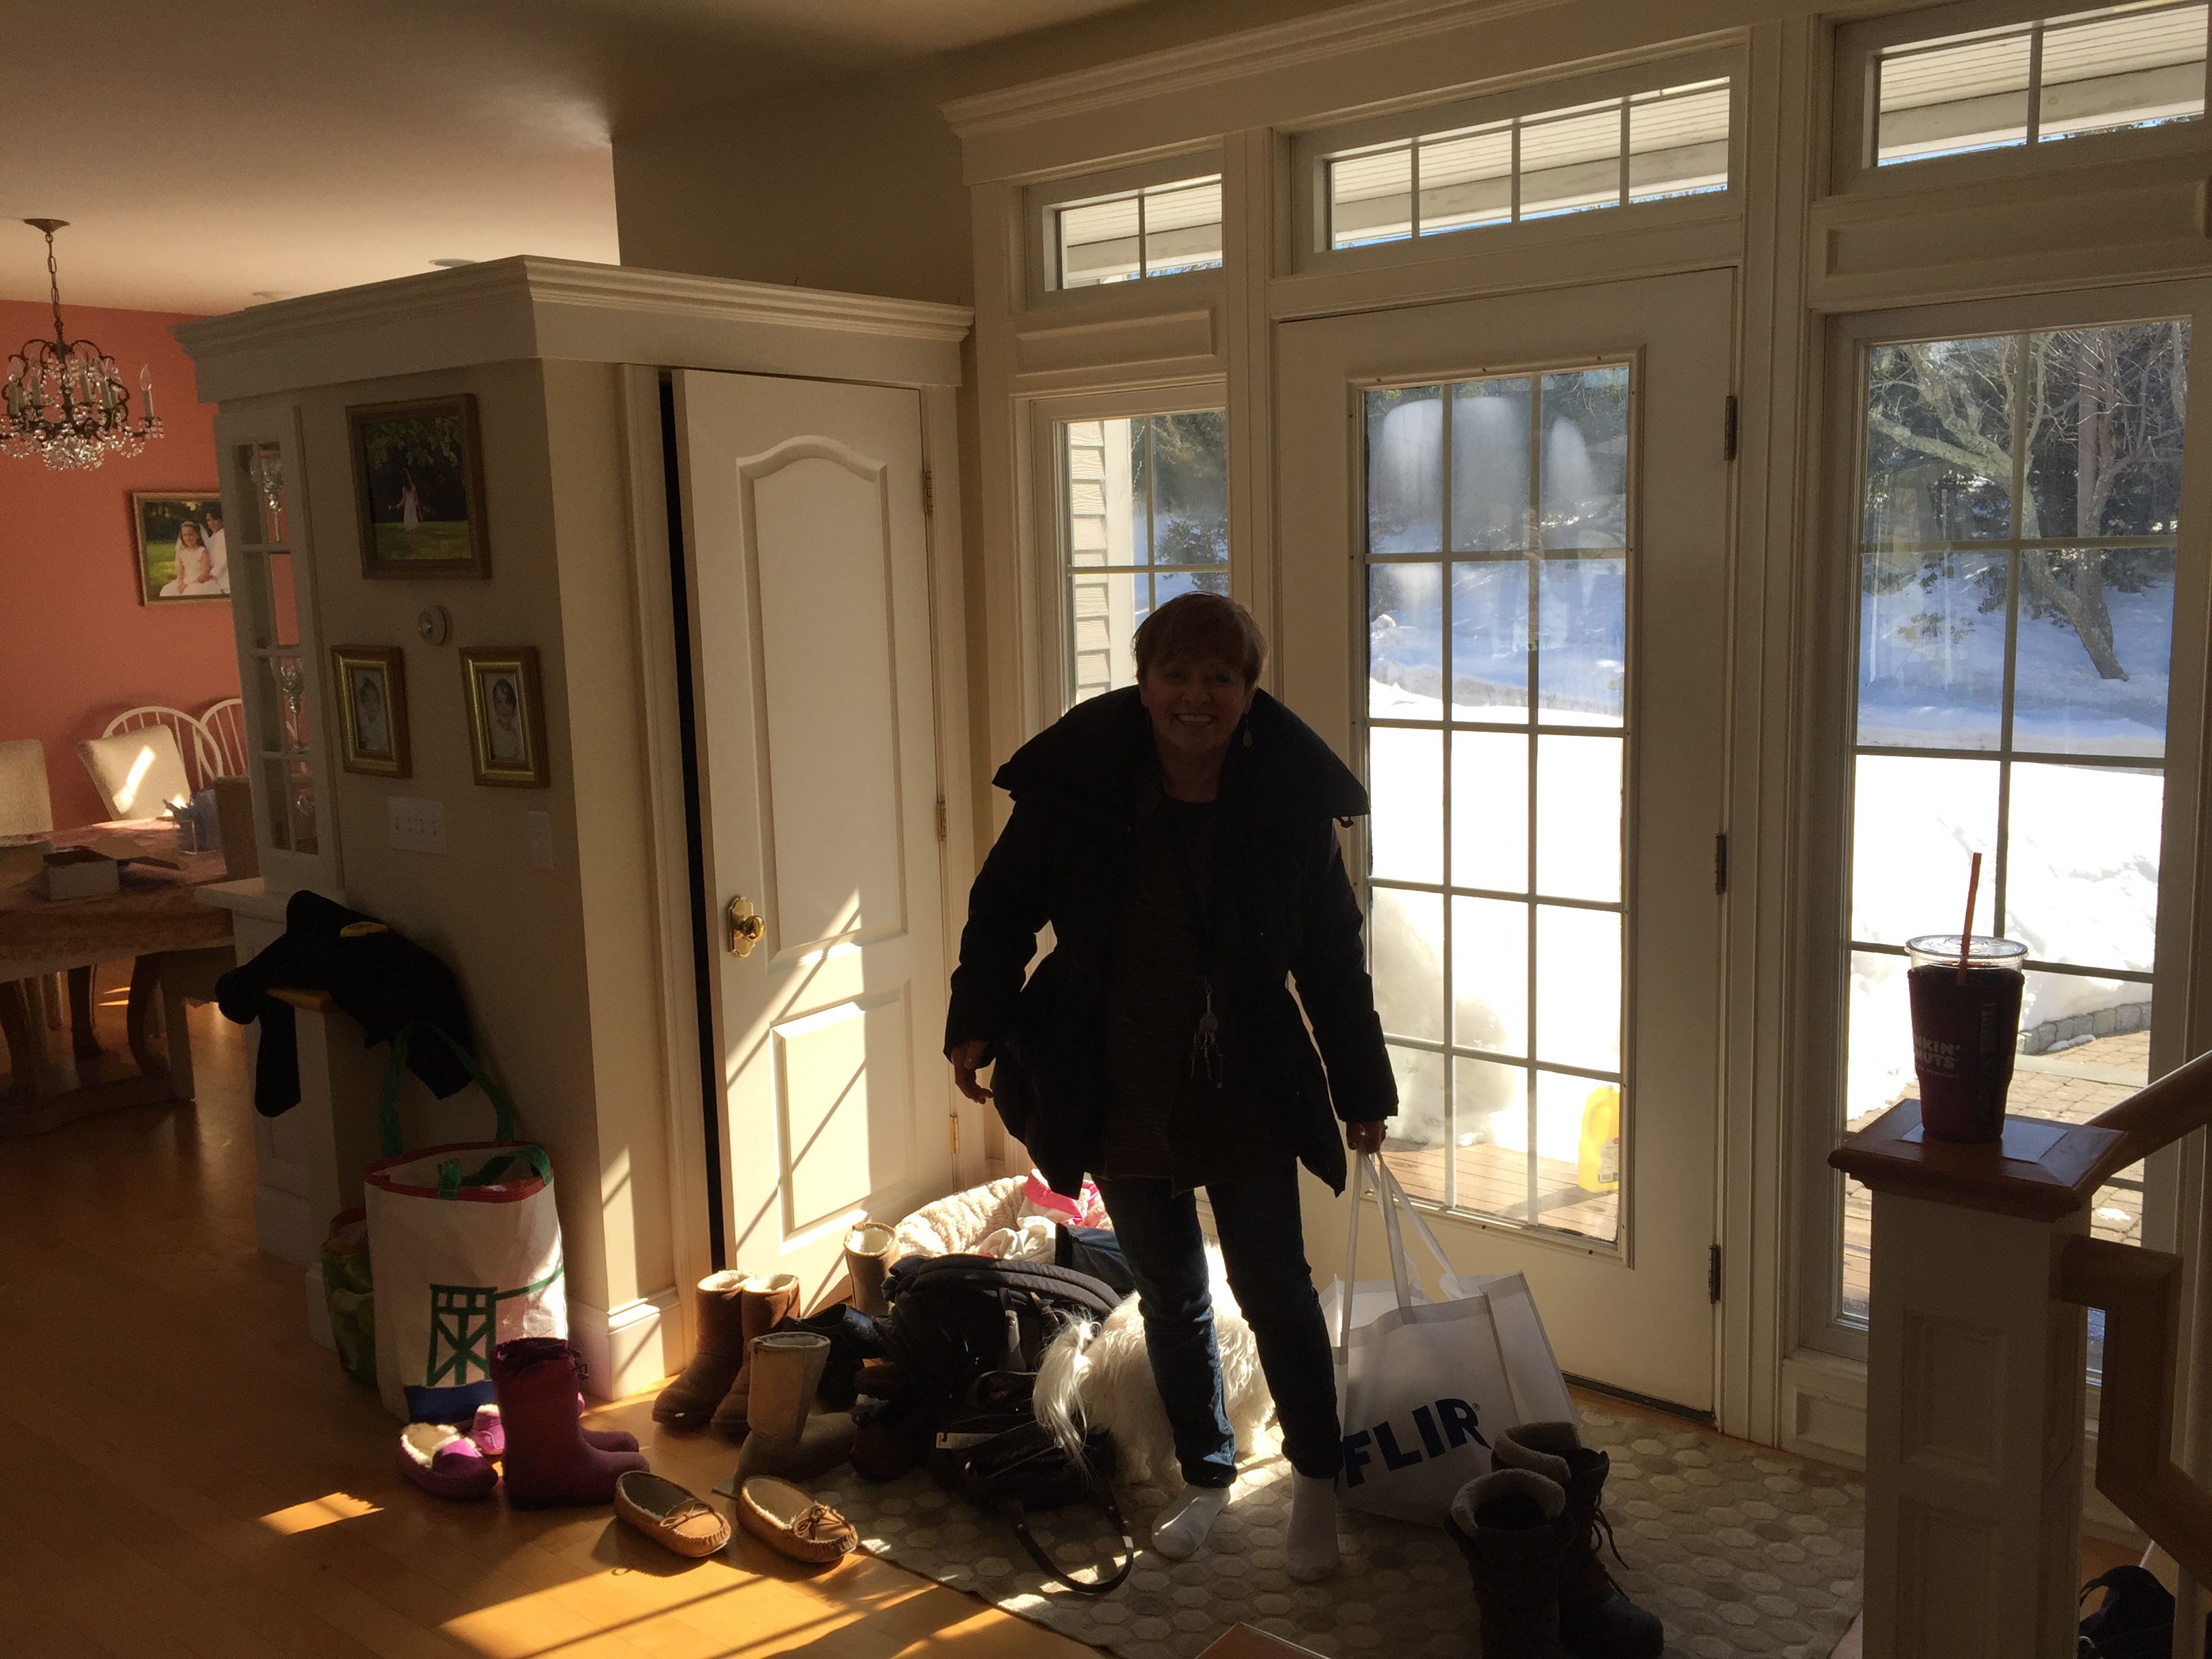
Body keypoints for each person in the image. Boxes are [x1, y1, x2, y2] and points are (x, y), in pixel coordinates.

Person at [945, 591, 1395, 1583]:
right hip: (1115, 1078)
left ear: (1249, 692)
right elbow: (1003, 906)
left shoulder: (1285, 805)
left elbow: (1331, 956)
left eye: (1219, 677)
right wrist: (975, 1020)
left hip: (1245, 1081)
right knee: (1170, 1295)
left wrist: (1362, 1088)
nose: (1197, 696)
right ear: (1144, 685)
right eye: (1176, 675)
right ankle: (1207, 1474)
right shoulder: (1078, 789)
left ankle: (1316, 1480)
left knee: (1275, 1290)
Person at [159, 520, 221, 598]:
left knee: (191, 591)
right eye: (185, 535)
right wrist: (181, 583)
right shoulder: (182, 552)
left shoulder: (202, 552)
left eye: (190, 535)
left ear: (197, 536)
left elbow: (205, 571)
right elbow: (181, 571)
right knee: (167, 590)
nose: (188, 538)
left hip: (199, 580)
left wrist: (190, 583)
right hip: (186, 579)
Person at [487, 676, 524, 763]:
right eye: (499, 702)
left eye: (508, 702)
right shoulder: (492, 733)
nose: (504, 708)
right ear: (495, 706)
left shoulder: (515, 735)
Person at [352, 673, 390, 756]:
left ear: (379, 703)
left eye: (374, 700)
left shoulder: (384, 723)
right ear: (364, 704)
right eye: (368, 701)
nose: (372, 705)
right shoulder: (362, 724)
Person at [201, 508, 229, 592]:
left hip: (226, 579)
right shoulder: (212, 538)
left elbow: (225, 559)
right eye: (208, 520)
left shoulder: (225, 536)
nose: (211, 523)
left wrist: (212, 574)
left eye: (215, 520)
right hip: (216, 581)